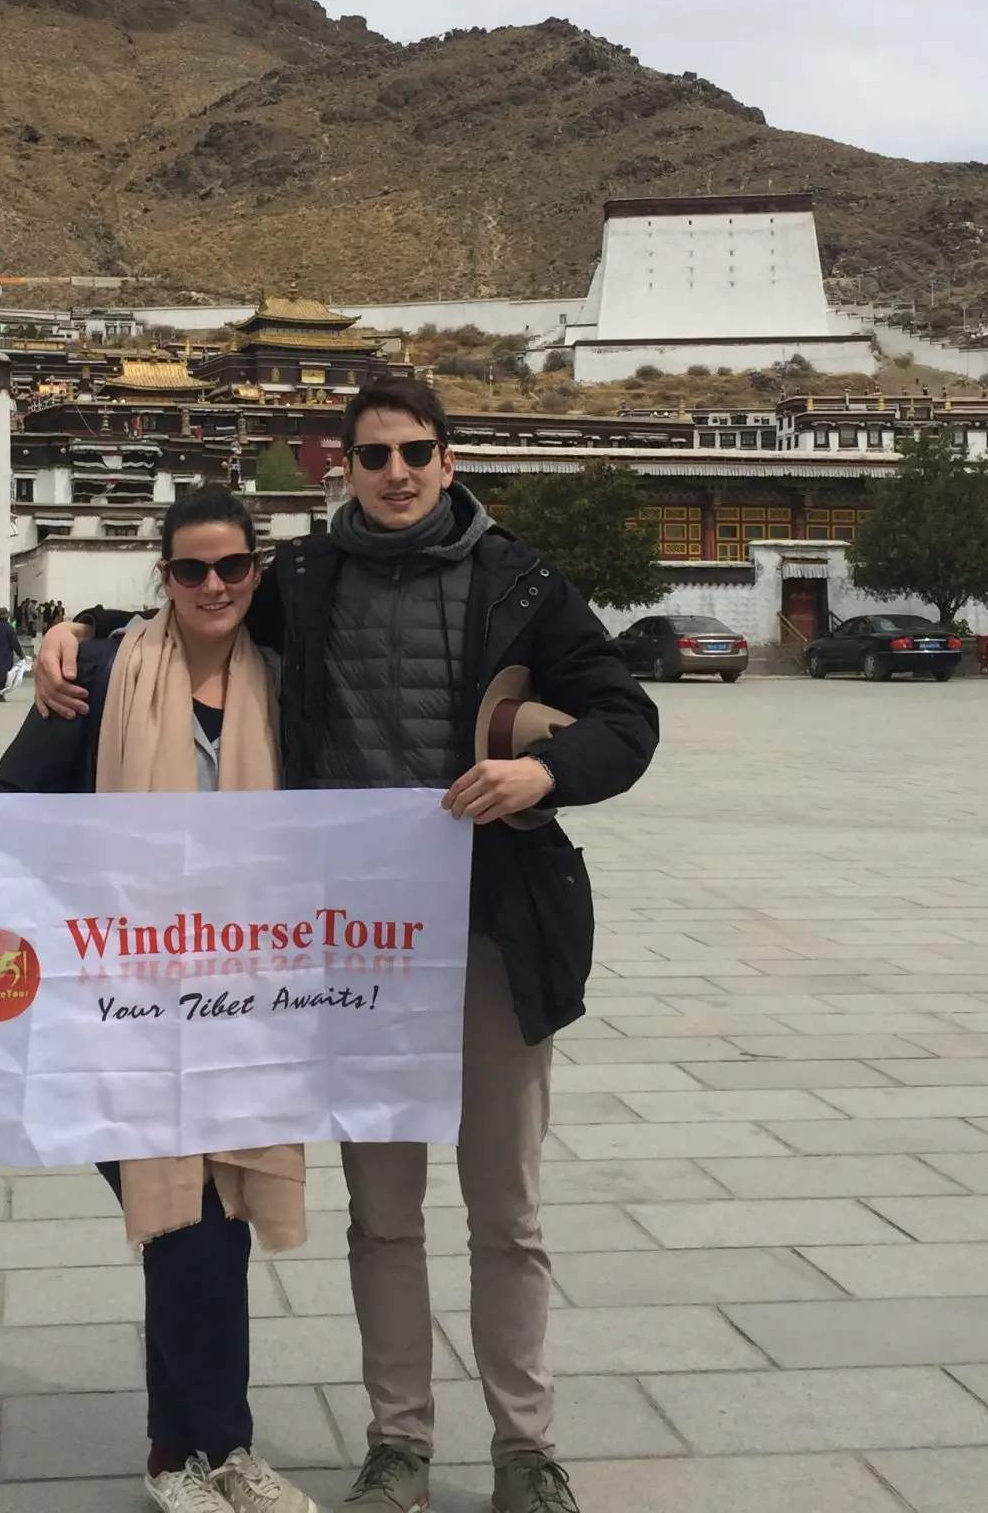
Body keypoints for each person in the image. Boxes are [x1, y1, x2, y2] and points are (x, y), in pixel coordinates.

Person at [34, 382, 659, 1513]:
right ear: (346, 470)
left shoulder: (520, 582)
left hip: (492, 935)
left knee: (505, 1212)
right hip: (360, 956)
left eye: (415, 451)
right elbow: (201, 602)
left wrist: (543, 771)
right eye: (374, 455)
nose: (396, 472)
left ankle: (525, 1448)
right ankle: (398, 1443)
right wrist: (70, 625)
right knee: (383, 1217)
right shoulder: (309, 581)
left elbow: (627, 717)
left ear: (448, 458)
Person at [0, 486, 318, 1513]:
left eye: (232, 567)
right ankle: (218, 1450)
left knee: (202, 1228)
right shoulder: (98, 674)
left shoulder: (291, 681)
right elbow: (20, 805)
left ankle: (181, 1453)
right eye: (191, 569)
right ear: (163, 577)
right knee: (190, 1228)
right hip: (119, 1004)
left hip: (245, 1005)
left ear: (256, 572)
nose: (213, 586)